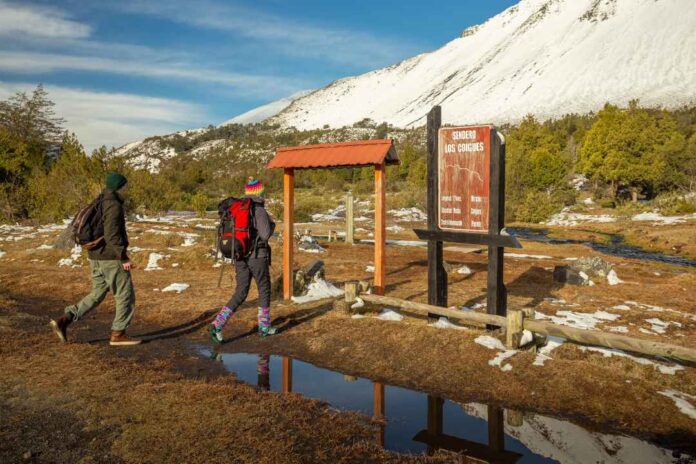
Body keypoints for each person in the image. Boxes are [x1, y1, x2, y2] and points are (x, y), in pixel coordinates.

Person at [50, 172, 140, 346]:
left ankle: (65, 319)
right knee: (125, 295)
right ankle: (118, 334)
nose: (127, 189)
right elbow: (112, 234)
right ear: (119, 187)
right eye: (125, 186)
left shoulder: (99, 200)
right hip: (110, 258)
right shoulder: (113, 205)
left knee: (97, 293)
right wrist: (123, 258)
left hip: (95, 257)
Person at [209, 178, 276, 343]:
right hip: (257, 256)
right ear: (259, 192)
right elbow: (265, 234)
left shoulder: (238, 208)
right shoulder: (258, 208)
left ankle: (217, 324)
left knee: (241, 292)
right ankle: (264, 327)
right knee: (264, 289)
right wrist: (272, 224)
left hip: (239, 255)